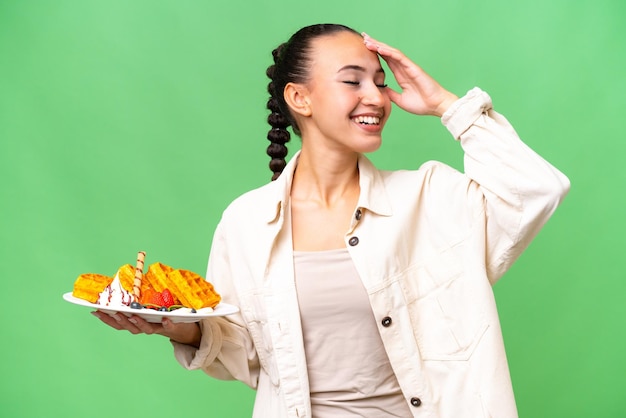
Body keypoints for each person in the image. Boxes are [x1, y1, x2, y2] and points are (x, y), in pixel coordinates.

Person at [93, 23, 570, 418]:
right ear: (299, 98)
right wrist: (182, 328)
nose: (378, 98)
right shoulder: (246, 222)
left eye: (380, 82)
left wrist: (447, 105)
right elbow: (242, 355)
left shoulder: (430, 198)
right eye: (353, 81)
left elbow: (537, 189)